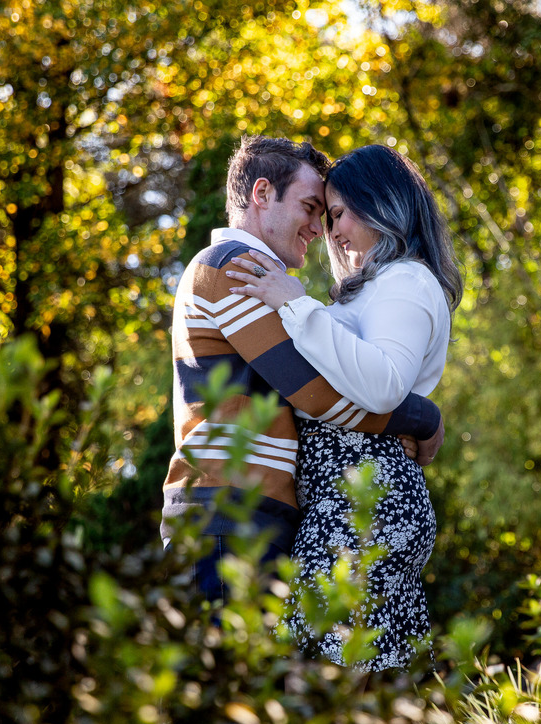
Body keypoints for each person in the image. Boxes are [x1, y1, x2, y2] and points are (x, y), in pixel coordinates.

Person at [160, 135, 445, 605]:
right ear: (262, 193)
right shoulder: (232, 269)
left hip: (252, 513)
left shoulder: (264, 279)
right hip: (223, 514)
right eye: (311, 208)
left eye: (327, 214)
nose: (319, 229)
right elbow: (315, 394)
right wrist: (421, 418)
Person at [224, 144, 462, 671]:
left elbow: (383, 385)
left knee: (312, 681)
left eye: (339, 214)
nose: (332, 232)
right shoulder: (372, 290)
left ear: (383, 204)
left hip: (364, 501)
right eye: (327, 217)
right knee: (357, 699)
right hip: (348, 499)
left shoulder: (405, 280)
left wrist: (295, 303)